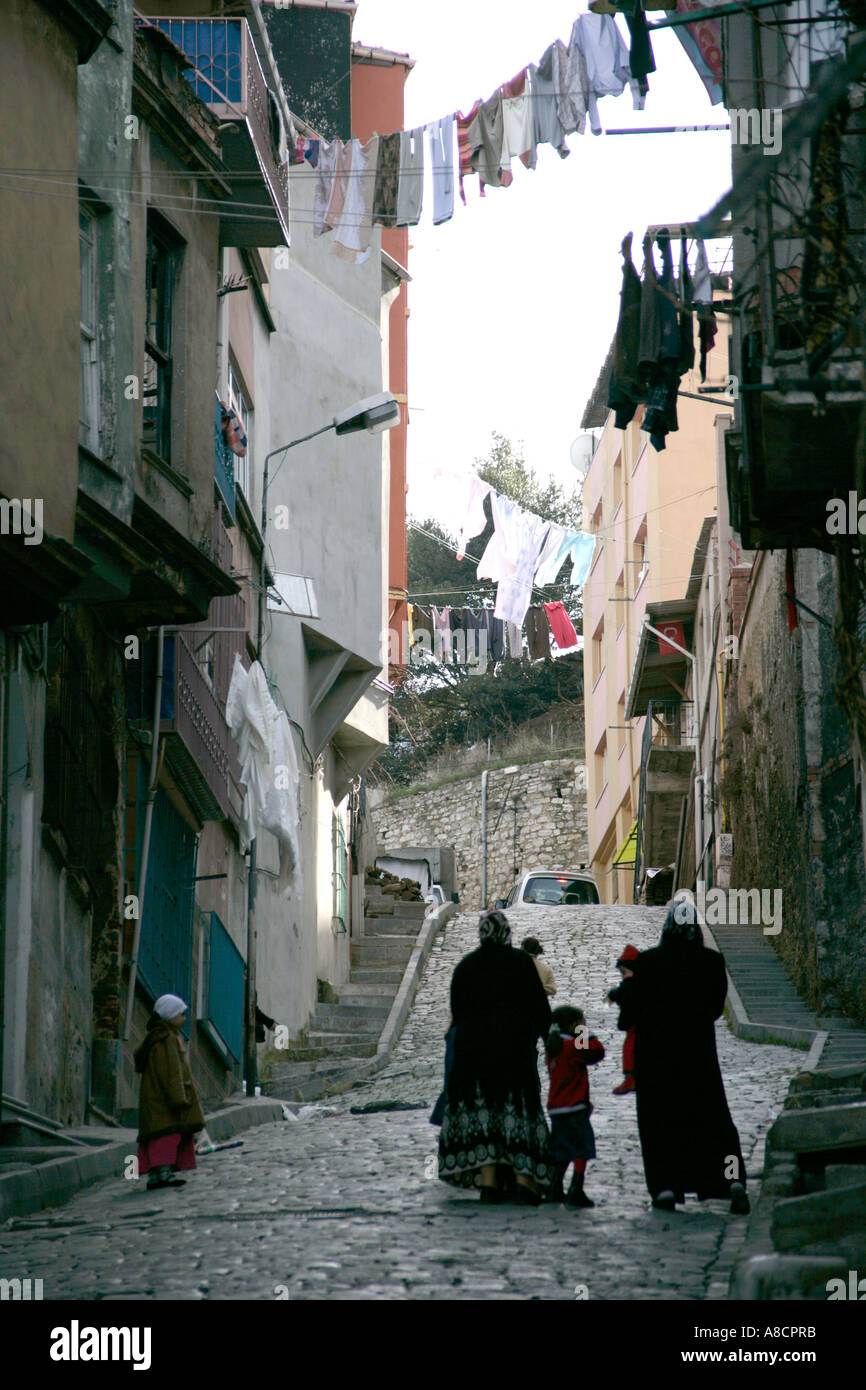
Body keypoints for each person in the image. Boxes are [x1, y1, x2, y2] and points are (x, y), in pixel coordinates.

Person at [630, 901, 749, 1215]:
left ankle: (666, 1187)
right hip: (698, 1056)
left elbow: (634, 1010)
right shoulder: (712, 961)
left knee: (661, 1124)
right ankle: (733, 1181)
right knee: (715, 1121)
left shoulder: (647, 962)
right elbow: (713, 1010)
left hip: (657, 1058)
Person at [438, 910, 555, 1205]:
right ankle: (524, 1181)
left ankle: (489, 1183)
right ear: (506, 932)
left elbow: (458, 1013)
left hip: (473, 1059)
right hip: (515, 1055)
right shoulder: (521, 964)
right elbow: (541, 1011)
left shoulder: (465, 967)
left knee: (485, 1115)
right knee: (518, 1115)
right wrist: (547, 1042)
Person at [134, 994, 205, 1191]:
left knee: (160, 1137)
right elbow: (172, 1072)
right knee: (166, 1137)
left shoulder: (159, 1037)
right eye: (181, 1015)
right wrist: (179, 1097)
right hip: (164, 1101)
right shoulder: (166, 1039)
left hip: (155, 1099)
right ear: (170, 1016)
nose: (183, 1019)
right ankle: (163, 1174)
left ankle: (157, 1176)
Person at [545, 1005, 605, 1208]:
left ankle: (555, 1187)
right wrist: (583, 1032)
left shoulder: (554, 1047)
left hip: (556, 1109)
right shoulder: (573, 1046)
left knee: (562, 1150)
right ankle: (576, 1189)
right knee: (581, 1148)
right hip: (574, 1107)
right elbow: (597, 1051)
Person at [606, 944, 639, 1094]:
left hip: (633, 1023)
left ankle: (631, 1078)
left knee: (630, 1048)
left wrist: (613, 996)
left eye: (623, 972)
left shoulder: (629, 986)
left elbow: (622, 997)